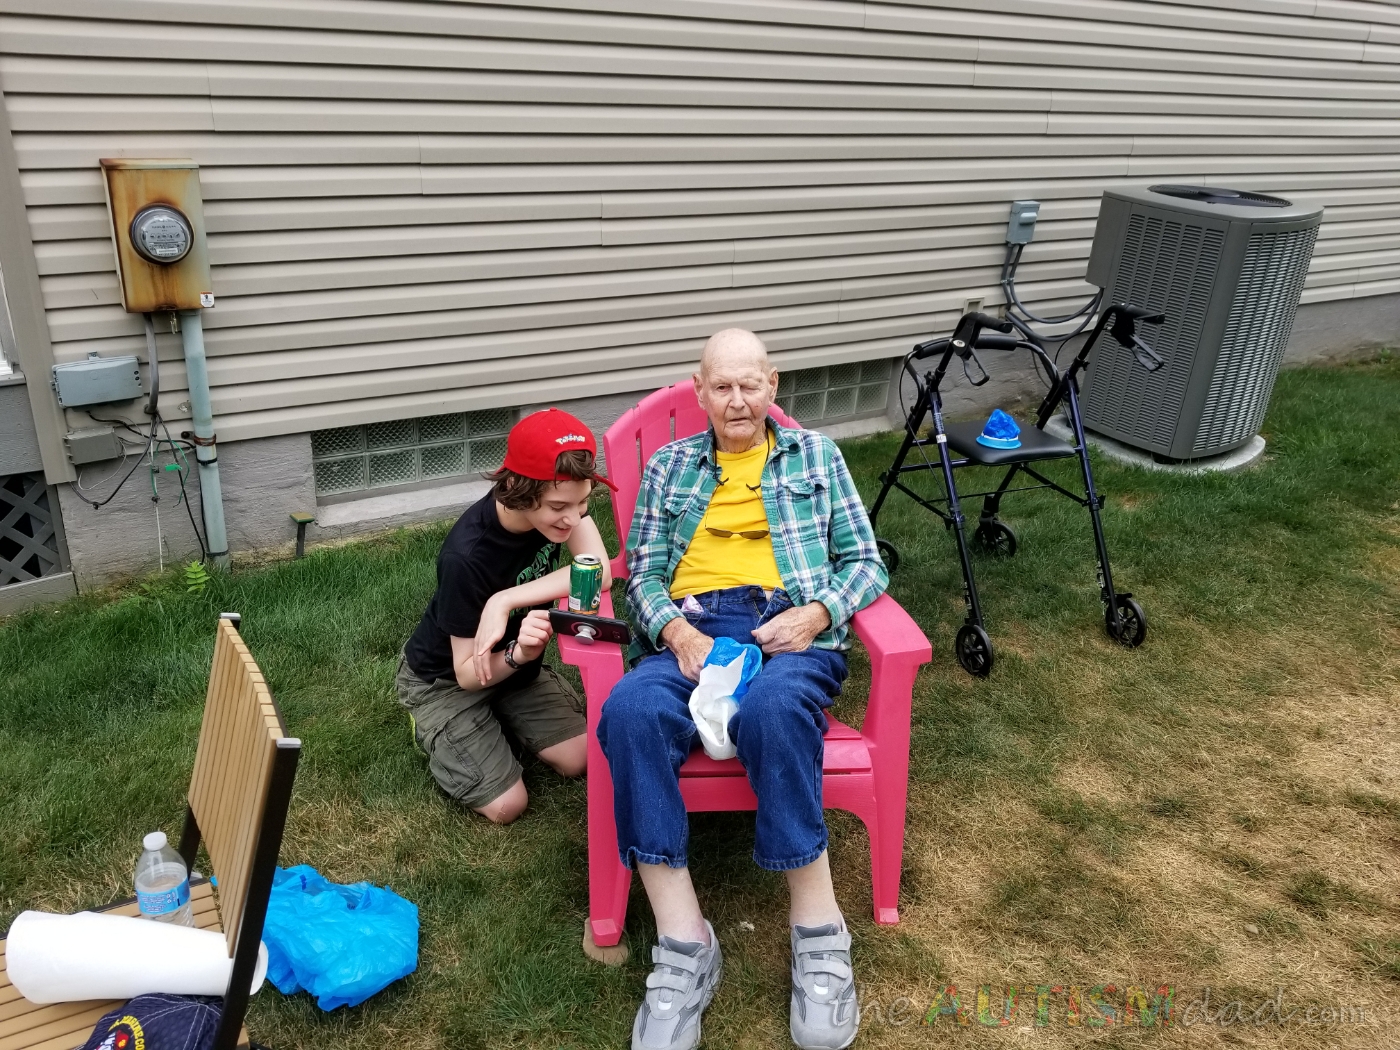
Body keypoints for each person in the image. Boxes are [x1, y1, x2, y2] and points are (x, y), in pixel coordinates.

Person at [597, 329, 888, 1050]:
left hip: (787, 624)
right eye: (721, 386)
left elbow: (865, 561)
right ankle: (684, 941)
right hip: (692, 627)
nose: (736, 400)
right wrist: (676, 633)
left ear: (772, 385)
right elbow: (644, 576)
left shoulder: (818, 457)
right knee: (629, 712)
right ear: (699, 391)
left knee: (775, 710)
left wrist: (817, 614)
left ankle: (819, 931)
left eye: (749, 385)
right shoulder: (668, 466)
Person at [397, 408, 615, 824]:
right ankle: (429, 723)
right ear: (517, 487)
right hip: (446, 681)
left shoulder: (564, 502)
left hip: (513, 667)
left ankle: (501, 713)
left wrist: (505, 600)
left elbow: (598, 570)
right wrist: (520, 654)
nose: (573, 518)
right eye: (558, 507)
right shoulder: (466, 557)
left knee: (582, 758)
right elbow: (467, 674)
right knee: (506, 806)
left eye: (583, 502)